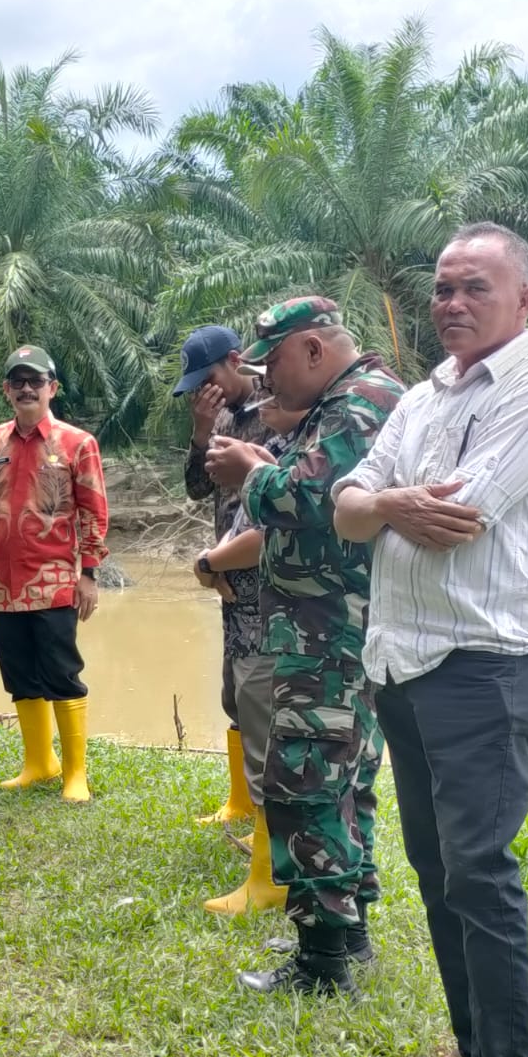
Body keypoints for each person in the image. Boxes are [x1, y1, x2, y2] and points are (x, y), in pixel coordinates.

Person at [333, 223, 528, 1057]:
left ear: (523, 299)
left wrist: (388, 505)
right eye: (441, 288)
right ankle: (474, 1049)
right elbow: (349, 505)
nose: (450, 304)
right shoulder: (424, 394)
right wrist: (393, 501)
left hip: (489, 663)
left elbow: (461, 515)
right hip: (402, 661)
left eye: (474, 288)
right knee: (437, 872)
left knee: (478, 873)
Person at [205, 297, 401, 995]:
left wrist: (252, 473)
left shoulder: (361, 404)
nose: (265, 381)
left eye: (276, 361)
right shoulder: (346, 401)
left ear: (315, 350)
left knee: (304, 782)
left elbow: (312, 499)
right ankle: (348, 933)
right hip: (329, 626)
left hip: (331, 631)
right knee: (344, 781)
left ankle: (324, 963)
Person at [0, 345, 109, 804]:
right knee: (19, 675)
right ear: (7, 390)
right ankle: (38, 763)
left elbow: (94, 510)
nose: (27, 388)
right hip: (2, 584)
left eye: (36, 381)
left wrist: (89, 574)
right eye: (18, 381)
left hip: (55, 580)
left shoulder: (77, 443)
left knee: (63, 674)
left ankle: (75, 773)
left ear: (53, 388)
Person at [197, 395, 309, 915]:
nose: (265, 405)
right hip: (248, 616)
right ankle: (268, 869)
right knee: (255, 725)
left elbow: (268, 535)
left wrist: (209, 559)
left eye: (275, 396)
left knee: (272, 745)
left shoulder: (295, 455)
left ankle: (271, 879)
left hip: (272, 619)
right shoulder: (270, 451)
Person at [178, 324, 271, 833]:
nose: (202, 391)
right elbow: (196, 489)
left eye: (207, 377)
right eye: (195, 386)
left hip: (264, 570)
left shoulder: (280, 406)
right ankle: (239, 801)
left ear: (236, 361)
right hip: (228, 576)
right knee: (235, 693)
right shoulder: (218, 417)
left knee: (261, 697)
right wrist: (200, 432)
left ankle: (266, 823)